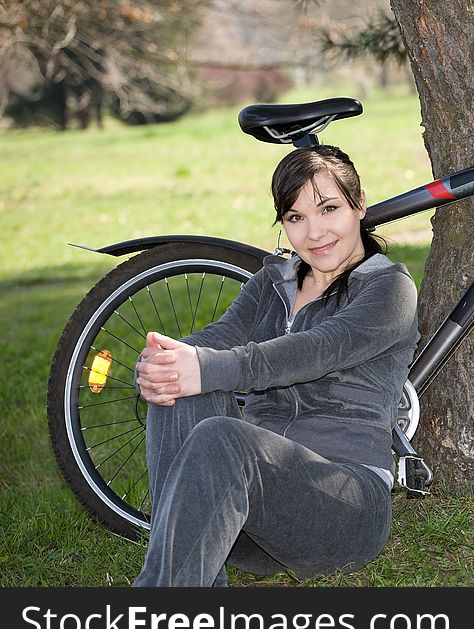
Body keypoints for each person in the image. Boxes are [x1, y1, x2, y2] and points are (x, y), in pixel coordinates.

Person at [131, 144, 420, 586]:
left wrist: (205, 368)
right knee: (178, 390)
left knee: (220, 431)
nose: (315, 232)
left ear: (360, 206)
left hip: (345, 504)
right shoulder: (272, 282)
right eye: (296, 218)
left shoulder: (389, 289)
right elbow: (219, 339)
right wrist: (168, 361)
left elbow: (318, 348)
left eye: (329, 209)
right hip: (256, 515)